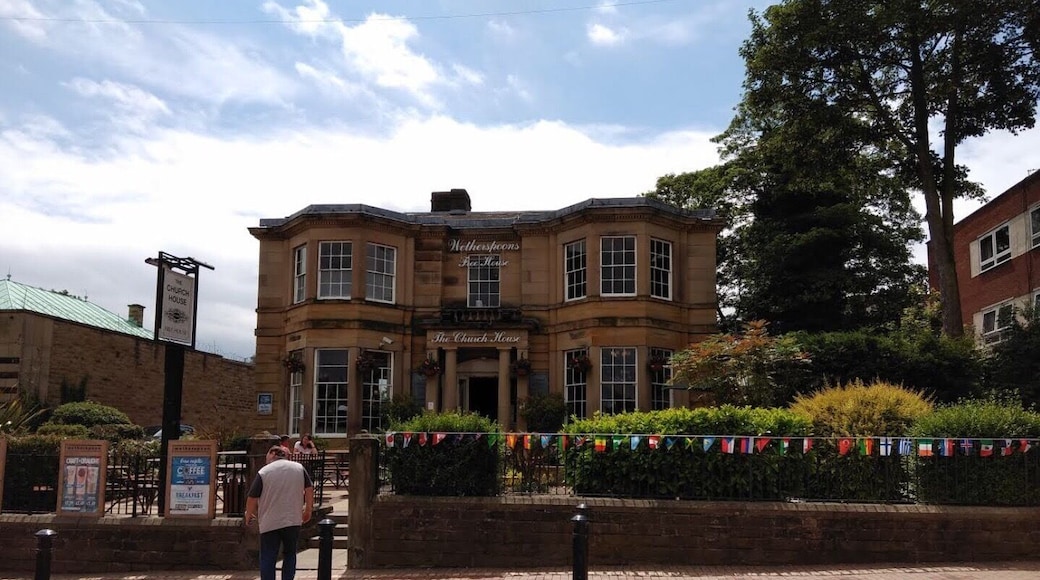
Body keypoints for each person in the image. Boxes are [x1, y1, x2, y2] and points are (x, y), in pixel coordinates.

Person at [245, 445, 314, 580]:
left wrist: (249, 514)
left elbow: (252, 496)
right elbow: (309, 488)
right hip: (292, 519)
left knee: (268, 556)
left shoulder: (264, 472)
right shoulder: (299, 468)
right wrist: (308, 509)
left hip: (269, 521)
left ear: (272, 454)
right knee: (290, 553)